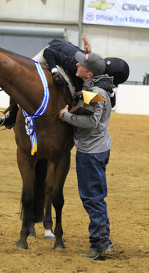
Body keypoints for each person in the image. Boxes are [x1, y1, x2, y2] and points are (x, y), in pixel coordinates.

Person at [0, 35, 129, 129]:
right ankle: (10, 117)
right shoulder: (77, 64)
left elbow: (111, 101)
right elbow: (49, 53)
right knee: (19, 79)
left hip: (68, 54)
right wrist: (54, 71)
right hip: (51, 51)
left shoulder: (99, 75)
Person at [59, 51, 115, 259]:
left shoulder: (93, 93)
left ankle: (99, 245)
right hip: (99, 148)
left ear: (89, 73)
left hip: (90, 152)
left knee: (92, 198)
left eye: (81, 64)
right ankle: (104, 240)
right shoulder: (100, 87)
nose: (76, 64)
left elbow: (91, 123)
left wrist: (66, 116)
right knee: (96, 197)